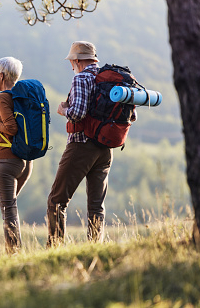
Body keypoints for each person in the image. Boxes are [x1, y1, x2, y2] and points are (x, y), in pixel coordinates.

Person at [47, 41, 134, 246]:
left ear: (77, 61)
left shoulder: (81, 79)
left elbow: (77, 113)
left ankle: (55, 248)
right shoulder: (112, 80)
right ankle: (95, 246)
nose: (71, 65)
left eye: (72, 62)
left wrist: (62, 110)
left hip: (81, 146)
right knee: (96, 205)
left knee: (57, 200)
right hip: (105, 149)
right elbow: (132, 115)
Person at [0, 57, 33, 254]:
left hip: (7, 161)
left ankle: (13, 254)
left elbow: (11, 129)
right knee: (11, 207)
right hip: (25, 162)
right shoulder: (24, 96)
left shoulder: (3, 97)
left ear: (2, 76)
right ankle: (15, 252)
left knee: (8, 210)